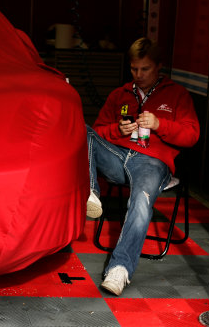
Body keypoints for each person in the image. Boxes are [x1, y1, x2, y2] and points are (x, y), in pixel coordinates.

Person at [85, 37, 199, 296]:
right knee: (82, 131)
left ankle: (120, 269)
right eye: (134, 69)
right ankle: (91, 191)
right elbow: (99, 130)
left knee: (140, 201)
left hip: (152, 163)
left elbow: (192, 135)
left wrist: (161, 125)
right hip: (118, 156)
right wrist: (117, 129)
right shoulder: (120, 94)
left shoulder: (177, 94)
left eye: (145, 69)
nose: (138, 75)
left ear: (159, 66)